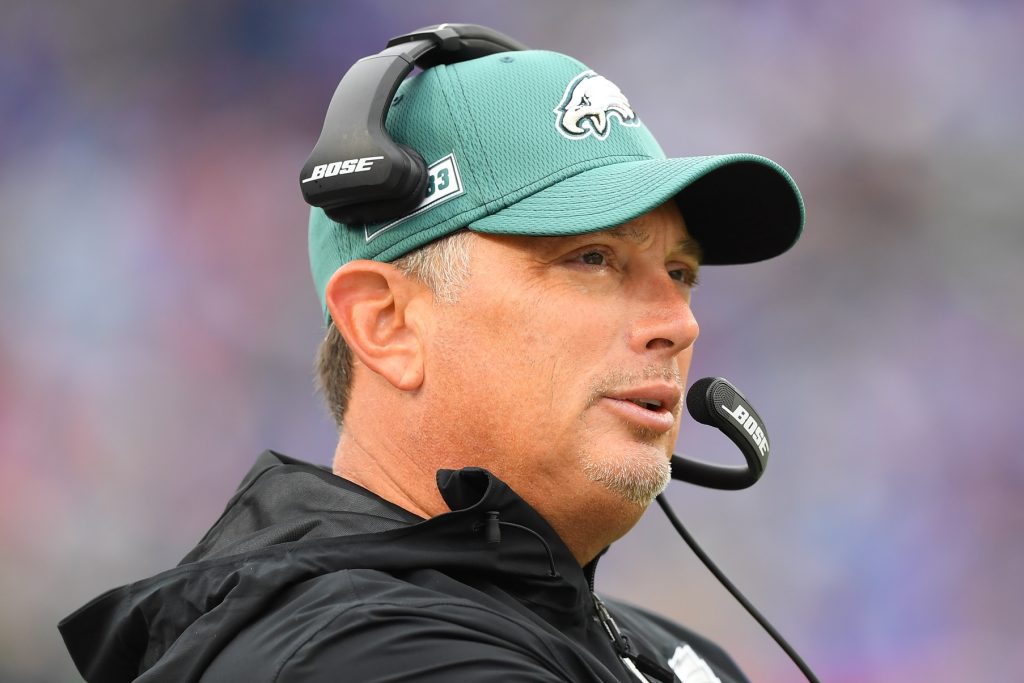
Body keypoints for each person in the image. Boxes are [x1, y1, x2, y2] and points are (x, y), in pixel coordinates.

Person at [60, 31, 804, 683]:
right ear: (385, 324)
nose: (678, 323)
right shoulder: (356, 653)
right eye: (592, 257)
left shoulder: (667, 652)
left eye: (679, 272)